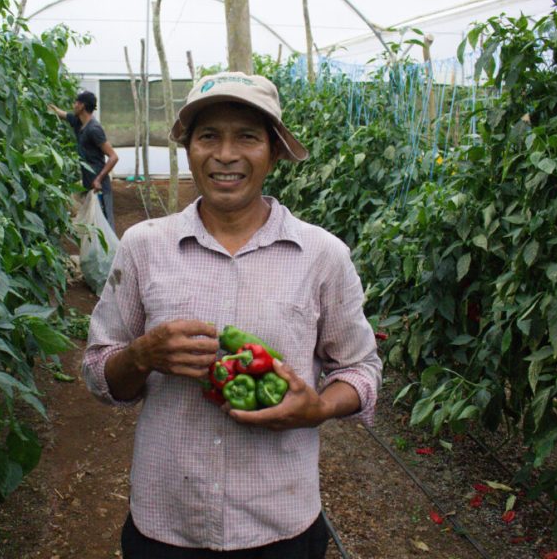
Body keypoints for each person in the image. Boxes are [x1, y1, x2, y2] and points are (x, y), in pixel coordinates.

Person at [82, 71, 382, 558]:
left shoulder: (322, 255)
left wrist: (320, 407)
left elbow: (361, 369)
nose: (225, 154)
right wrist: (140, 355)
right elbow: (98, 372)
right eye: (208, 136)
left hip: (280, 524)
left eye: (246, 136)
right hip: (167, 521)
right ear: (188, 148)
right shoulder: (143, 247)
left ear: (275, 151)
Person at [48, 90, 119, 231]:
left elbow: (113, 157)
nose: (73, 105)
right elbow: (62, 114)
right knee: (92, 225)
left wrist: (98, 179)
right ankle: (95, 253)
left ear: (82, 106)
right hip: (89, 184)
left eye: (76, 102)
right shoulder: (78, 122)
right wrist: (51, 107)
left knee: (104, 224)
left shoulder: (94, 129)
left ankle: (112, 253)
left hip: (99, 187)